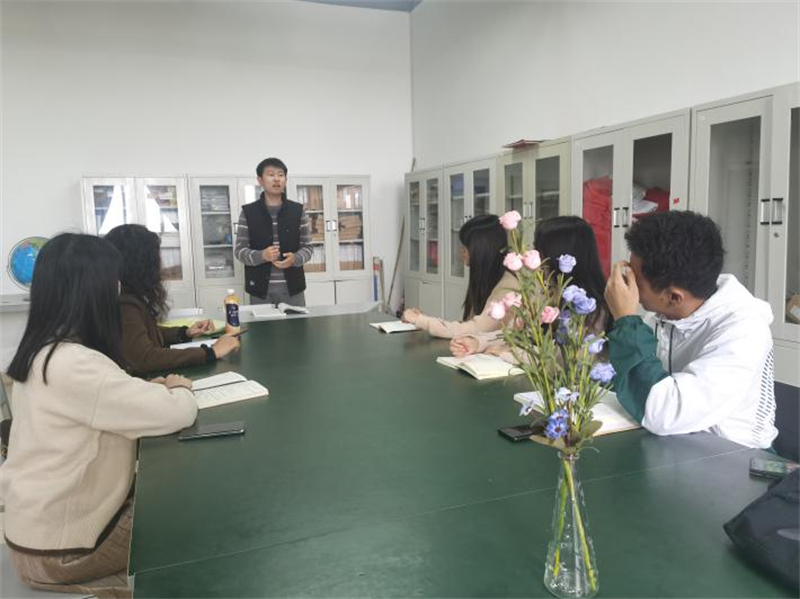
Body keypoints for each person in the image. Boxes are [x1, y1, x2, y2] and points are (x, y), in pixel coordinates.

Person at [1, 233, 197, 598]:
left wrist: (146, 389)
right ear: (94, 292)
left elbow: (105, 398)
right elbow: (176, 413)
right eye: (114, 283)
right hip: (62, 553)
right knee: (197, 517)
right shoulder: (76, 365)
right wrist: (181, 388)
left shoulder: (43, 352)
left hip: (36, 536)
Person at [604, 210, 777, 449]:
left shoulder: (744, 331)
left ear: (674, 297)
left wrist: (625, 320)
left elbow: (665, 412)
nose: (627, 286)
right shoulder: (666, 312)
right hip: (676, 441)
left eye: (636, 281)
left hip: (733, 456)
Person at [450, 216, 610, 362]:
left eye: (538, 249)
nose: (533, 255)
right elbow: (517, 333)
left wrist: (511, 353)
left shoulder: (591, 307)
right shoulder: (546, 293)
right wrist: (478, 342)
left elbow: (566, 359)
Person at [105, 224, 240, 376]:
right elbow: (144, 358)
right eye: (157, 256)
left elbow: (144, 334)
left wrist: (185, 332)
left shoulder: (128, 296)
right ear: (141, 263)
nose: (161, 263)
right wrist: (210, 352)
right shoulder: (126, 304)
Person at [402, 214, 519, 338]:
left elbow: (476, 329)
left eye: (466, 246)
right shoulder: (487, 279)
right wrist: (422, 319)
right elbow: (467, 325)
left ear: (482, 249)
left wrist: (422, 321)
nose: (461, 251)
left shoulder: (508, 288)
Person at [234, 157, 313, 306]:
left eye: (281, 175)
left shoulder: (298, 210)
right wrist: (262, 255)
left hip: (293, 291)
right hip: (260, 292)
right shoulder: (249, 212)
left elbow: (308, 248)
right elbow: (239, 251)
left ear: (285, 179)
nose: (277, 179)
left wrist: (295, 258)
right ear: (260, 180)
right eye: (271, 174)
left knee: (298, 322)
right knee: (262, 323)